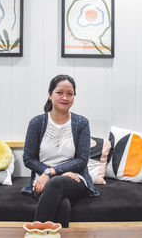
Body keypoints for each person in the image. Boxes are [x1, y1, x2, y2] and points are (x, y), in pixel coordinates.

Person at [22, 74, 99, 227]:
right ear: (50, 95)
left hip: (74, 179)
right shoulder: (37, 123)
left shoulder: (81, 123)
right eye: (59, 92)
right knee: (63, 206)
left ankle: (35, 233)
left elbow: (82, 160)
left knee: (57, 182)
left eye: (70, 94)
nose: (65, 97)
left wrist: (53, 172)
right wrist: (49, 173)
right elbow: (28, 158)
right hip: (42, 179)